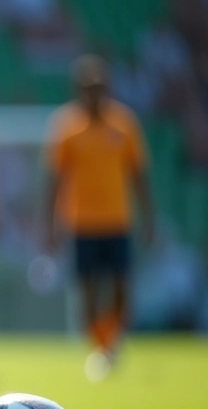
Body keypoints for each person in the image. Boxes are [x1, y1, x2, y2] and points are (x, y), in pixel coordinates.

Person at [44, 55, 154, 370]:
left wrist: (149, 219)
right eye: (88, 87)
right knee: (89, 287)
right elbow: (55, 179)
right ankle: (100, 344)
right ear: (78, 90)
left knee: (120, 285)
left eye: (99, 86)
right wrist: (49, 225)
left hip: (118, 220)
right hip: (81, 222)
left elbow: (138, 174)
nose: (94, 93)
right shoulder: (67, 127)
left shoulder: (124, 124)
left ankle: (113, 338)